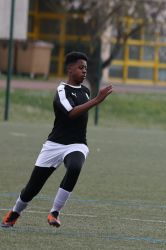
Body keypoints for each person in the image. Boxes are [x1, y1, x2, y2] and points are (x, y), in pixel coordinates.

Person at [1, 52, 113, 228]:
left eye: (86, 68)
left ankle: (54, 212)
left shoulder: (85, 91)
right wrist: (97, 100)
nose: (84, 71)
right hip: (55, 145)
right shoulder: (61, 91)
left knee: (75, 167)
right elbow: (71, 113)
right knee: (33, 188)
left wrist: (94, 99)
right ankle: (15, 212)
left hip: (77, 143)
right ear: (69, 69)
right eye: (80, 67)